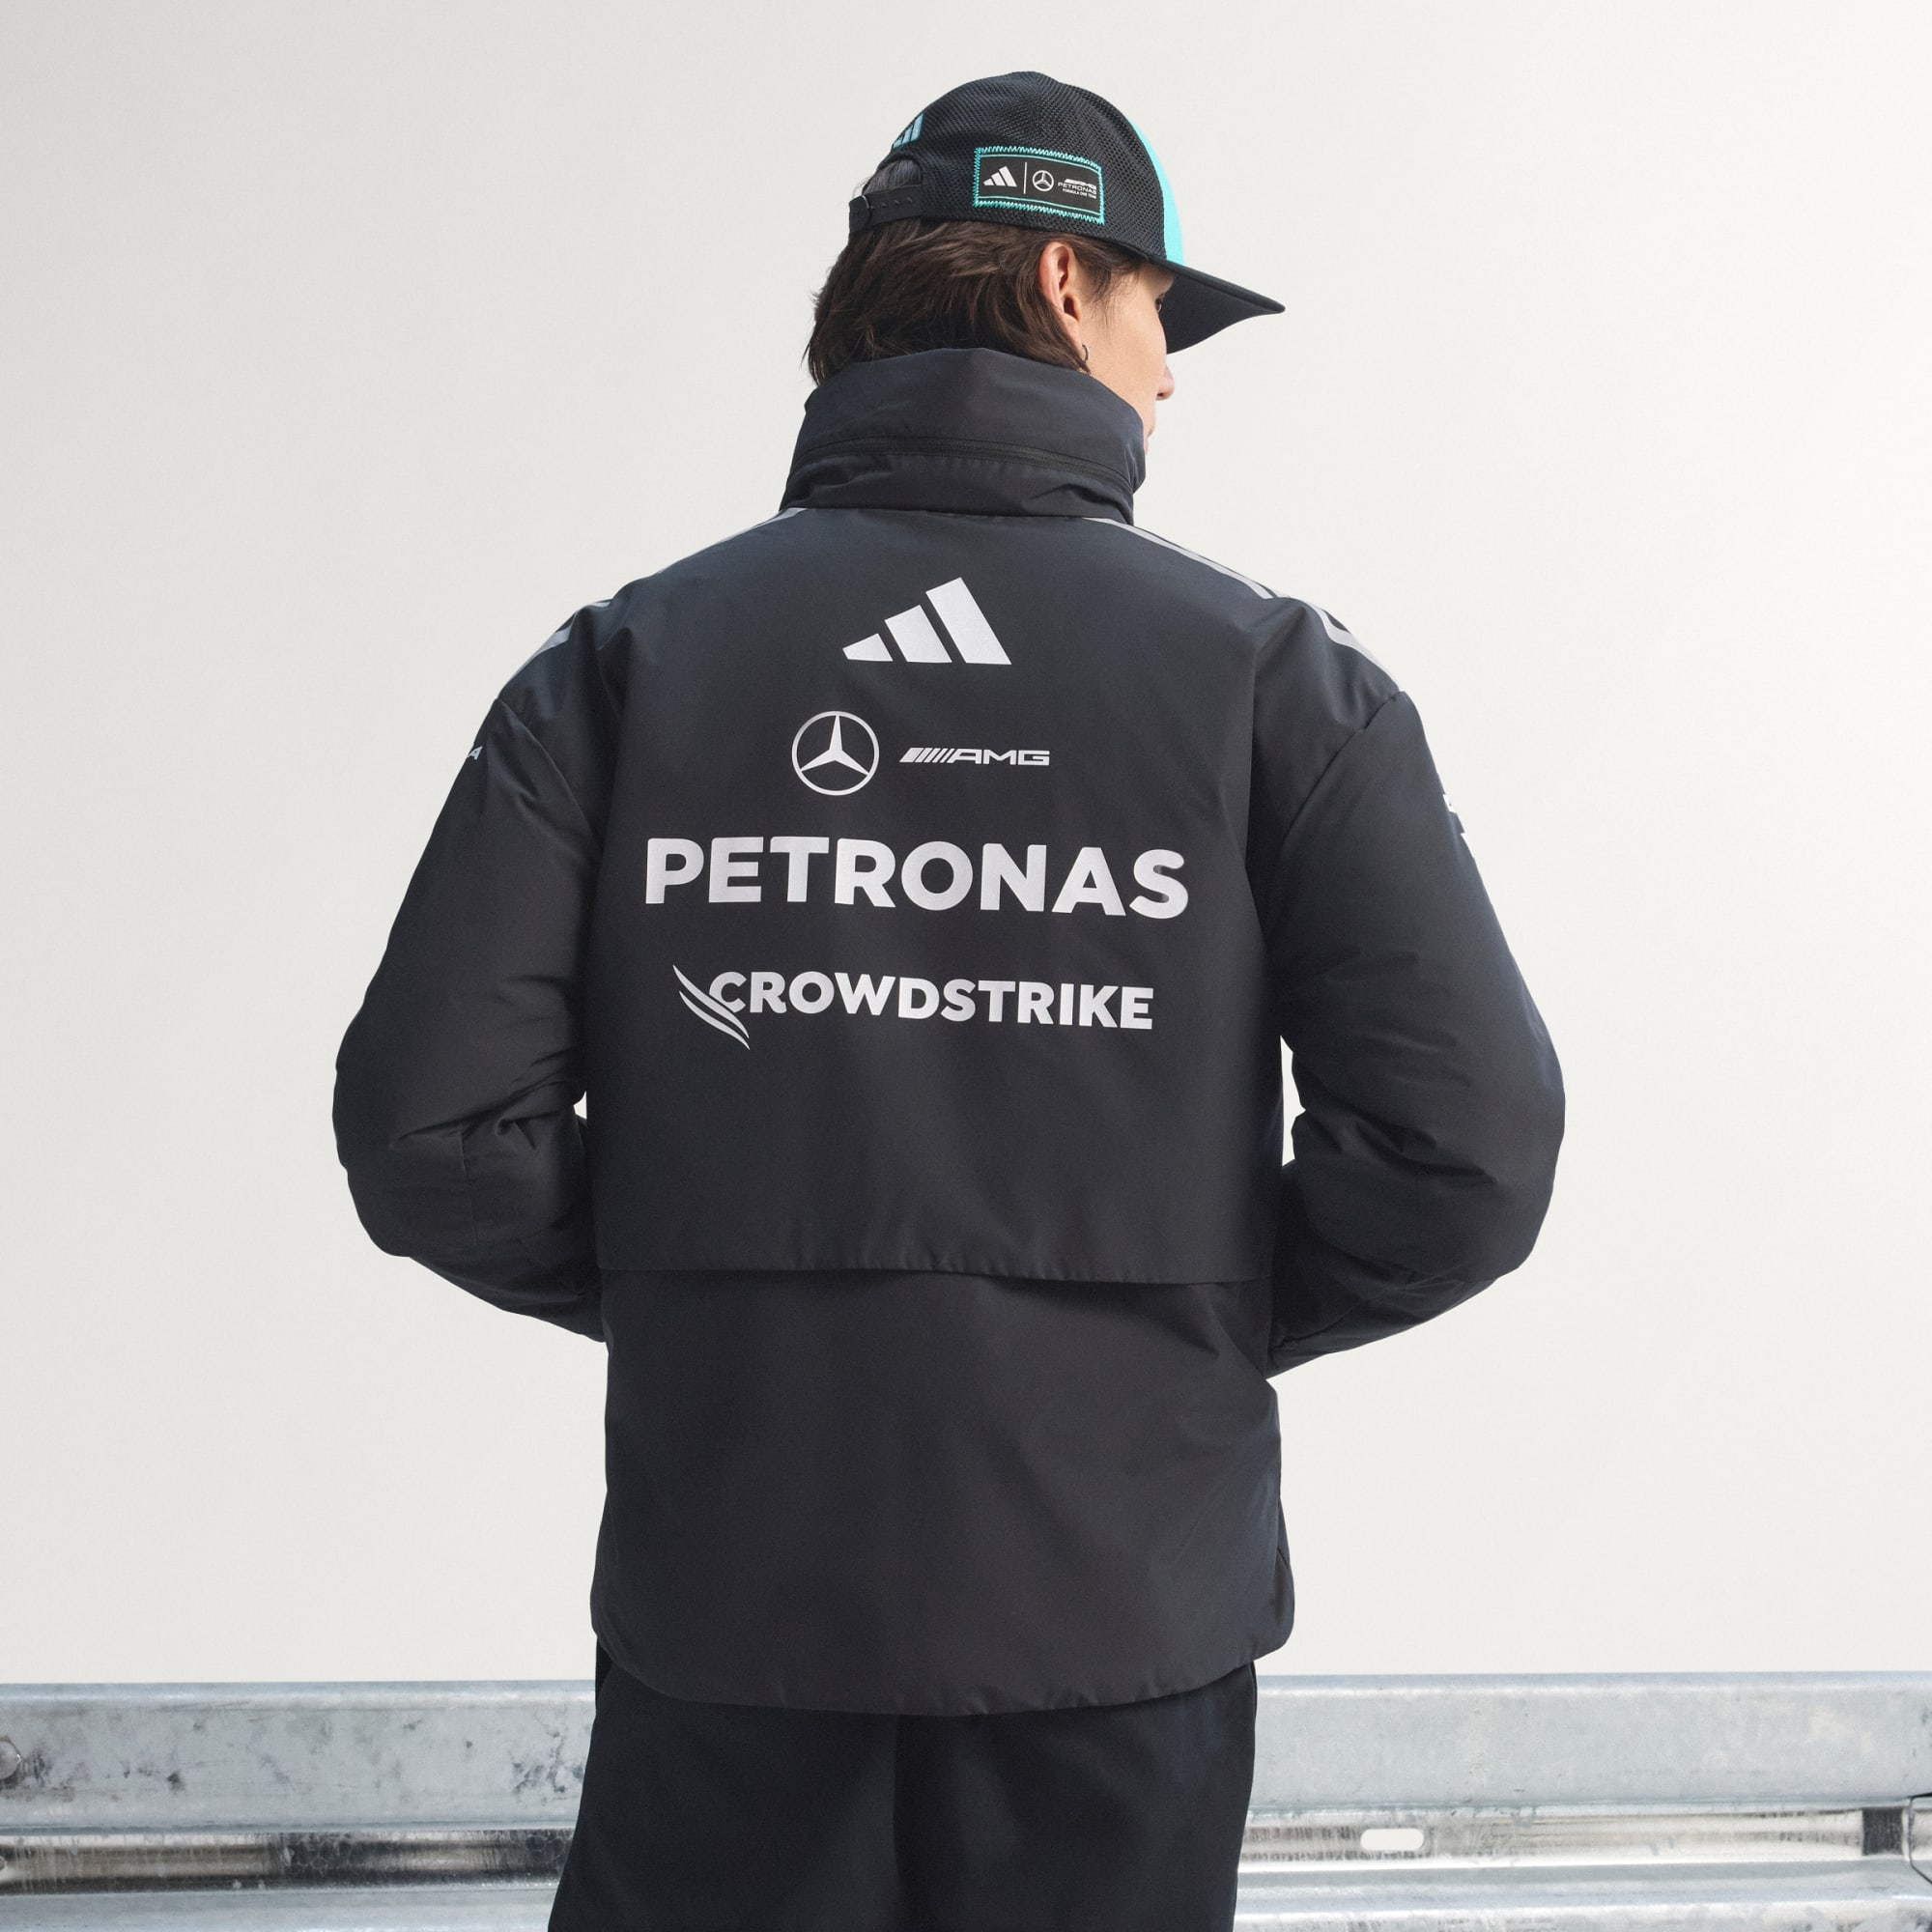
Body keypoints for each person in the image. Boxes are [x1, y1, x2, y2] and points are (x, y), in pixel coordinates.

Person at [333, 70, 1564, 1932]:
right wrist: (1172, 1320)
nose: (1171, 380)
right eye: (1162, 317)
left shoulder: (628, 664)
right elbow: (1467, 1152)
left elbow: (431, 1133)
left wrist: (723, 1290)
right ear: (1068, 284)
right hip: (1121, 1632)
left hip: (732, 1606)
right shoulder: (1271, 682)